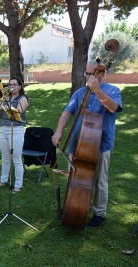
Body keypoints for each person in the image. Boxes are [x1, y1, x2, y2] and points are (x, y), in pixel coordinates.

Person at [52, 59, 123, 228]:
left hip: (101, 144)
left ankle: (99, 213)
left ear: (102, 75)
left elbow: (113, 108)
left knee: (99, 180)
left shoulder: (113, 91)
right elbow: (66, 113)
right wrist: (59, 131)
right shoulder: (79, 92)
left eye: (91, 74)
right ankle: (74, 206)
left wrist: (96, 90)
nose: (87, 77)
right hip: (78, 143)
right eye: (86, 73)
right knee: (75, 179)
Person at [0, 77, 28, 193]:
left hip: (16, 129)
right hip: (3, 129)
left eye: (14, 84)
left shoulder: (23, 99)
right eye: (10, 84)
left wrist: (5, 102)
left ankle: (18, 185)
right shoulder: (4, 98)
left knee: (16, 159)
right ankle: (3, 181)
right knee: (5, 158)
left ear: (20, 86)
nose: (11, 86)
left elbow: (17, 112)